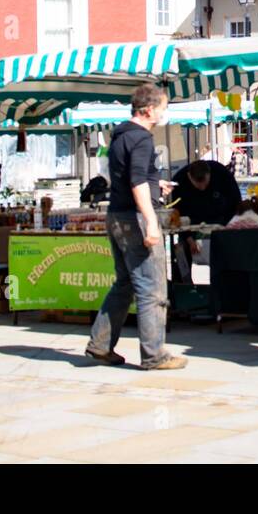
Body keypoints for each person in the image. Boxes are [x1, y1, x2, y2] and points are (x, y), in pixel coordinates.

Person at [85, 83, 185, 371]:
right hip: (136, 218)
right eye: (163, 108)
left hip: (117, 215)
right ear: (149, 109)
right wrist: (152, 222)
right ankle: (154, 355)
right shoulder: (141, 138)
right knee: (151, 289)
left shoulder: (120, 135)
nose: (165, 113)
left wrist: (157, 185)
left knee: (125, 284)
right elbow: (137, 181)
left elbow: (133, 177)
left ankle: (101, 345)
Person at [170, 158, 241, 284]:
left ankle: (223, 285)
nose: (202, 187)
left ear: (210, 174)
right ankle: (184, 287)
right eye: (198, 184)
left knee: (222, 255)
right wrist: (188, 238)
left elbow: (236, 202)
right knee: (182, 253)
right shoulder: (179, 181)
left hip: (221, 219)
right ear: (189, 176)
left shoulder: (221, 174)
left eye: (205, 183)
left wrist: (229, 226)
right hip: (190, 223)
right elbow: (176, 214)